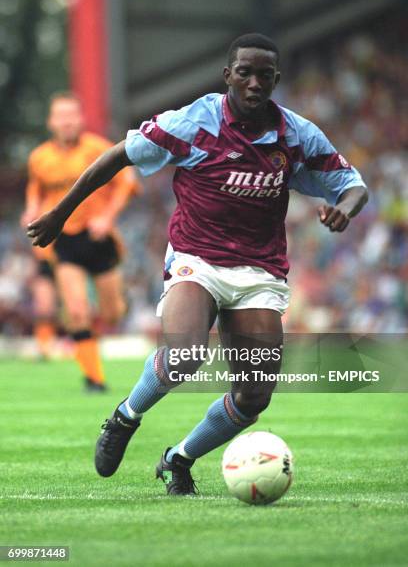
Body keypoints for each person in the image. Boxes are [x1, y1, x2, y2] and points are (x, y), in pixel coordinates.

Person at [28, 34, 368, 492]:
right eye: (243, 73)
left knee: (253, 398)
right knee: (185, 353)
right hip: (197, 259)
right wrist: (60, 212)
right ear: (227, 75)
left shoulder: (296, 134)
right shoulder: (194, 121)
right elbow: (118, 156)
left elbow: (353, 184)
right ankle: (125, 417)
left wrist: (344, 208)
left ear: (276, 80)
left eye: (263, 75)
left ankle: (179, 459)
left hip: (258, 273)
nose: (253, 83)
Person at [23, 92, 143, 390]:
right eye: (60, 116)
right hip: (64, 239)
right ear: (51, 122)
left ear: (80, 119)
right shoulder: (39, 158)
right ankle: (94, 378)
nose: (66, 122)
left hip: (99, 238)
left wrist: (108, 217)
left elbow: (128, 183)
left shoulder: (98, 149)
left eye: (71, 115)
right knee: (76, 310)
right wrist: (32, 209)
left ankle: (118, 302)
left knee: (111, 315)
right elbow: (36, 190)